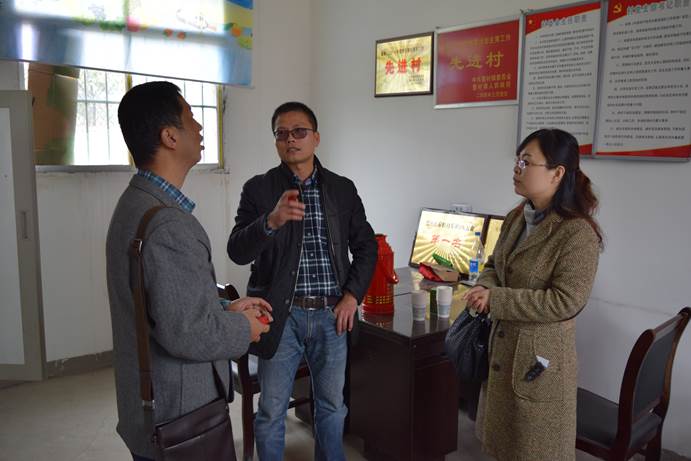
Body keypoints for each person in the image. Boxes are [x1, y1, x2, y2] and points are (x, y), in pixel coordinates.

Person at [106, 81, 271, 461]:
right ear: (169, 137)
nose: (199, 128)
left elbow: (162, 304)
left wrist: (224, 308)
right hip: (179, 410)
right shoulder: (169, 224)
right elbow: (187, 333)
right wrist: (244, 328)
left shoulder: (135, 202)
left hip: (153, 404)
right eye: (191, 118)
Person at [227, 101, 377, 460]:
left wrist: (352, 296)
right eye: (281, 134)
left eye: (299, 132)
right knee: (271, 412)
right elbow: (237, 250)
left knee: (332, 407)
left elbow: (366, 247)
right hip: (280, 317)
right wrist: (271, 222)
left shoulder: (341, 188)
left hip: (331, 316)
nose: (290, 139)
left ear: (316, 138)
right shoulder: (259, 189)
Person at [463, 128, 603, 461]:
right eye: (517, 160)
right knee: (502, 445)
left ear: (557, 173)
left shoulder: (577, 233)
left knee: (534, 448)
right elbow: (494, 264)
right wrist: (485, 285)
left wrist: (496, 300)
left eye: (527, 162)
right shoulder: (517, 216)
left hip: (539, 361)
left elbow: (566, 301)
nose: (517, 168)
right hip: (503, 350)